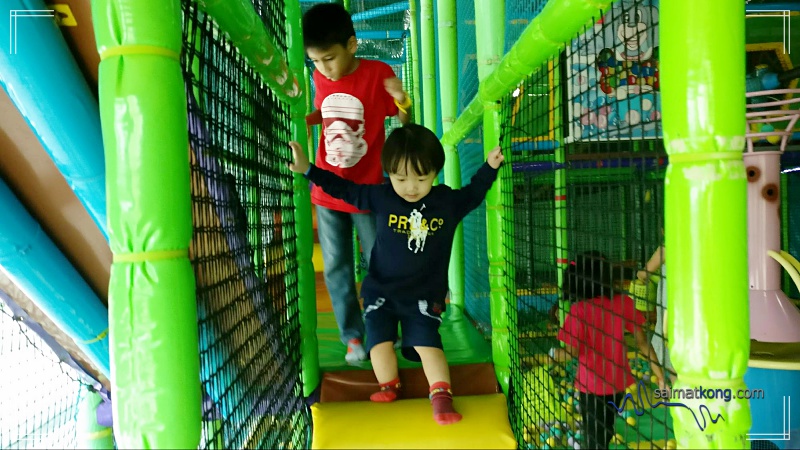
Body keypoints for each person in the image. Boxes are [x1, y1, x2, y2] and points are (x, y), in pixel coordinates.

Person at [287, 123, 504, 425]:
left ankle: (441, 396)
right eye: (401, 178)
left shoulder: (446, 203)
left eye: (421, 178)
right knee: (378, 341)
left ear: (435, 173)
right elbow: (344, 189)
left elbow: (474, 192)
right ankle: (389, 385)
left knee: (427, 343)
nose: (411, 186)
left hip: (424, 294)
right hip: (382, 290)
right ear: (389, 173)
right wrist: (309, 169)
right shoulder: (382, 197)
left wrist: (490, 167)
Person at [302, 3, 411, 363]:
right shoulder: (320, 78)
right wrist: (309, 118)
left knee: (378, 262)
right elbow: (324, 110)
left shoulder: (378, 72)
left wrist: (401, 97)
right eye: (315, 61)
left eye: (329, 59)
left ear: (351, 44)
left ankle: (382, 329)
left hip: (367, 190)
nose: (323, 69)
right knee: (336, 266)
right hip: (328, 189)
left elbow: (403, 116)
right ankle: (352, 337)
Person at [550, 251, 665, 449]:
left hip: (592, 387)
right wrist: (660, 376)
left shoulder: (579, 311)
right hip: (618, 384)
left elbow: (570, 354)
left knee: (595, 436)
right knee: (606, 428)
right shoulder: (624, 302)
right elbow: (643, 344)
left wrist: (552, 355)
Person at [637, 231, 675, 382]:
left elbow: (645, 273)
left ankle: (674, 390)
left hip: (671, 303)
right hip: (692, 302)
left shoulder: (667, 247)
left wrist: (642, 275)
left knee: (670, 344)